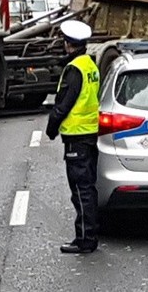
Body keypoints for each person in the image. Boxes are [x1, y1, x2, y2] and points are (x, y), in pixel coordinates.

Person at [46, 20, 101, 254]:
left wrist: (51, 128)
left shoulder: (74, 70)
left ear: (68, 44)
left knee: (80, 190)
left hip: (77, 137)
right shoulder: (90, 65)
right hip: (89, 134)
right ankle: (90, 235)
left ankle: (85, 239)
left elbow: (63, 104)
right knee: (88, 187)